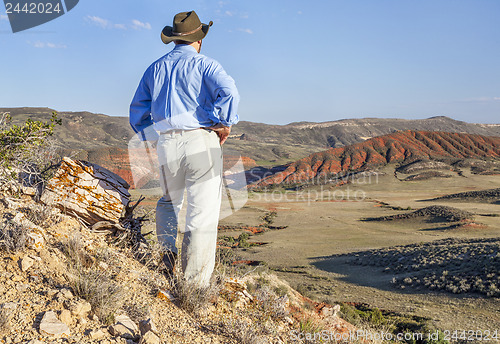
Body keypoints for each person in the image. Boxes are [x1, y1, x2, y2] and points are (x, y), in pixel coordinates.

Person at [129, 10, 240, 288]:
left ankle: (166, 256)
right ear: (199, 39)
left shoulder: (155, 68)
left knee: (168, 201)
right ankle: (194, 286)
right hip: (200, 140)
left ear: (174, 39)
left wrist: (151, 136)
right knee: (201, 213)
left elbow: (137, 111)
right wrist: (225, 124)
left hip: (167, 143)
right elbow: (230, 93)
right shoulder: (206, 66)